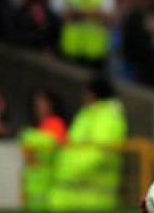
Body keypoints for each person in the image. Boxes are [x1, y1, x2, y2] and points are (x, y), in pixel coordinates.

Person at [47, 76, 127, 210]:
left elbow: (99, 152)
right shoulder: (86, 114)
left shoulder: (108, 117)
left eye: (86, 92)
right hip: (72, 195)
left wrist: (71, 170)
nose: (83, 96)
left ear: (94, 93)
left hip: (92, 199)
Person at [19, 89, 67, 210]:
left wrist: (28, 136)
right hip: (33, 189)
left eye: (43, 102)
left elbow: (50, 146)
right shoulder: (40, 126)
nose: (39, 107)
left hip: (48, 188)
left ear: (51, 105)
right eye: (37, 103)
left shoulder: (56, 123)